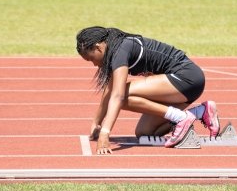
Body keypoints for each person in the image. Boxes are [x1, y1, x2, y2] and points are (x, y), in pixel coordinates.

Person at [76, 26, 220, 155]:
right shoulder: (115, 50)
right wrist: (96, 123)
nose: (94, 64)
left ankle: (180, 118)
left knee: (122, 96)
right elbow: (109, 89)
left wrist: (105, 133)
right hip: (183, 88)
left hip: (187, 77)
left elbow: (117, 95)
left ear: (98, 47)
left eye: (91, 59)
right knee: (145, 133)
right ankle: (199, 112)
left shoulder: (120, 50)